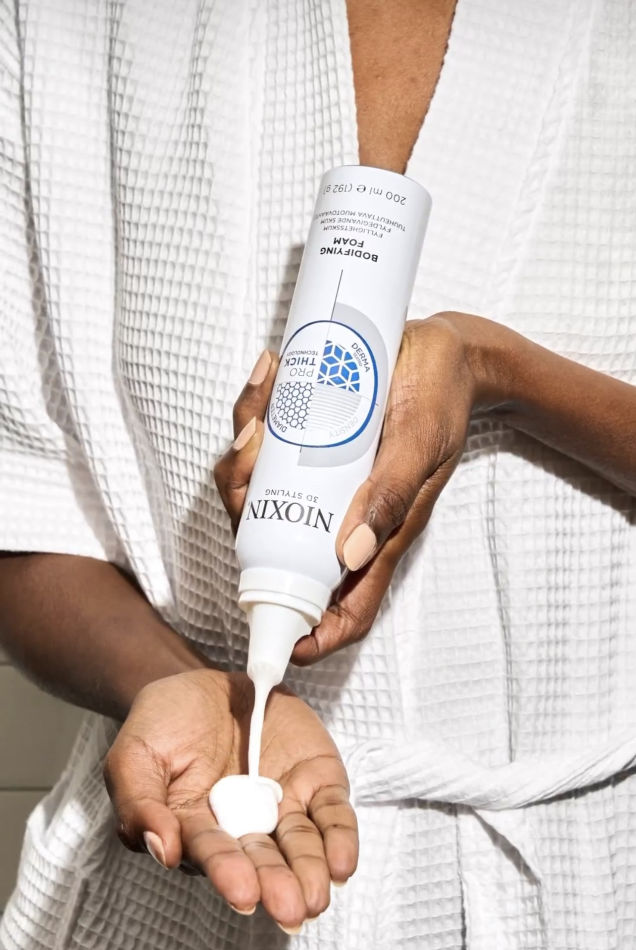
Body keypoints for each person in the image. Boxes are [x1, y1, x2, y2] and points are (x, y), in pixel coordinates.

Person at [1, 0, 635, 947]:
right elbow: (23, 511)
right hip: (172, 892)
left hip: (585, 883)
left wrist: (498, 373)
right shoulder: (67, 22)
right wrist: (183, 685)